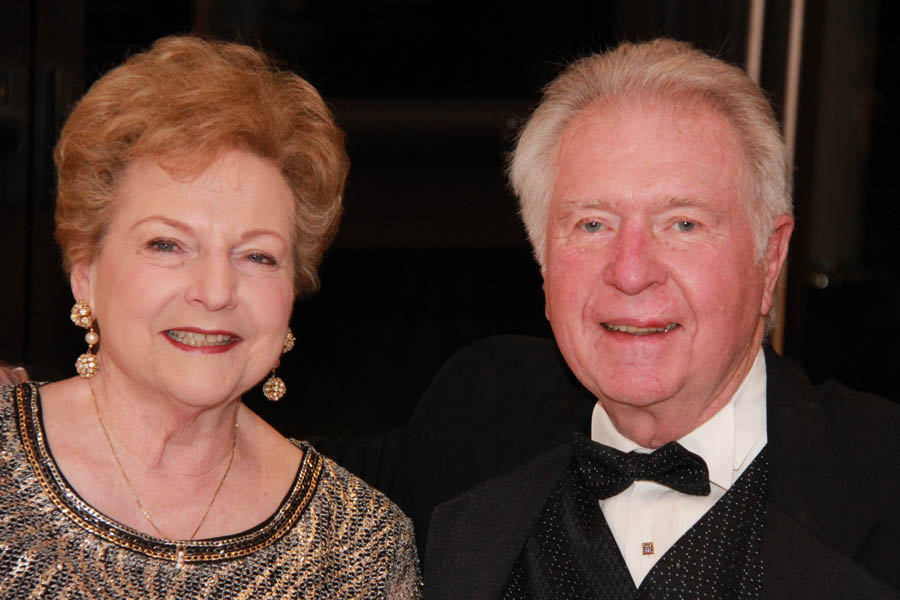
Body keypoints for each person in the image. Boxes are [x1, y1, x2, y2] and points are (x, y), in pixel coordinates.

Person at [325, 39, 899, 599]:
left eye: (683, 224)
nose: (630, 272)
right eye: (592, 225)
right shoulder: (479, 417)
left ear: (769, 258)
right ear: (543, 262)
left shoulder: (883, 470)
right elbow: (288, 492)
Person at [0, 36, 420, 599]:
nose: (216, 292)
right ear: (85, 271)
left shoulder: (358, 546)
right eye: (168, 245)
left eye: (257, 256)